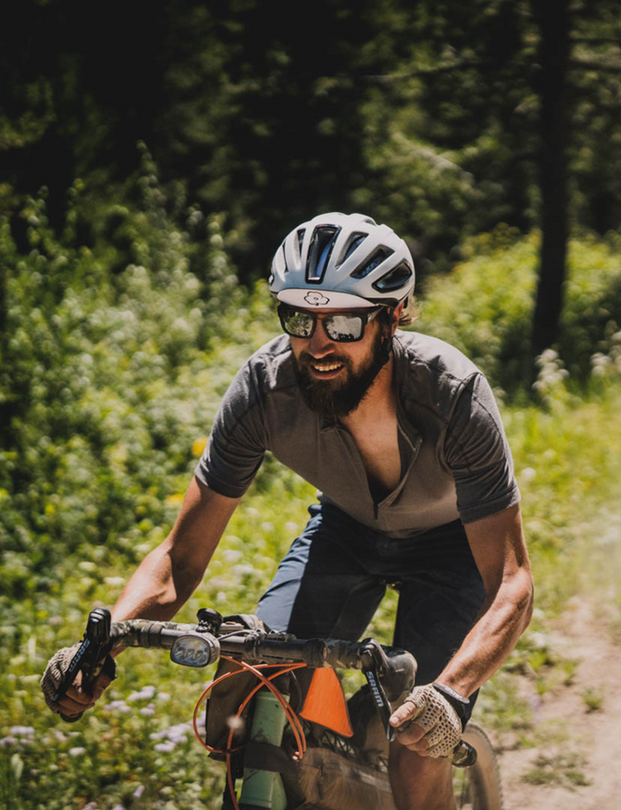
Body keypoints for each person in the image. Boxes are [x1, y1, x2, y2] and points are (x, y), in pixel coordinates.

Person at [41, 212, 534, 809]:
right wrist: (101, 646)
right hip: (345, 532)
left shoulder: (452, 394)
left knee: (415, 742)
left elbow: (511, 583)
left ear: (393, 316)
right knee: (247, 693)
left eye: (345, 322)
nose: (318, 343)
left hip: (454, 543)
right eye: (300, 318)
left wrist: (451, 695)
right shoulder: (264, 389)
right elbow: (178, 558)